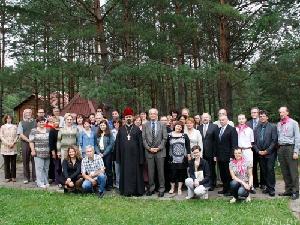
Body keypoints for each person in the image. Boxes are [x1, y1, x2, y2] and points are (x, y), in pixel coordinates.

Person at [115, 107, 145, 196]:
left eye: (130, 116)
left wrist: (141, 158)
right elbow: (117, 145)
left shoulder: (137, 129)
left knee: (136, 174)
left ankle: (136, 191)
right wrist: (118, 157)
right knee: (125, 173)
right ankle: (126, 191)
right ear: (124, 118)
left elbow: (140, 145)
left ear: (132, 118)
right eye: (127, 117)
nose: (128, 118)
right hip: (124, 157)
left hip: (135, 157)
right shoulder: (121, 130)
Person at [142, 108, 168, 197]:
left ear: (157, 115)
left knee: (161, 172)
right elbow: (143, 139)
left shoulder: (162, 125)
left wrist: (158, 148)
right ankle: (151, 189)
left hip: (160, 152)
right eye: (151, 114)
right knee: (150, 172)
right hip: (149, 152)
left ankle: (161, 189)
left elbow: (165, 138)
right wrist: (149, 148)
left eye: (154, 114)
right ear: (149, 115)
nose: (152, 115)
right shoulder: (145, 125)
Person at [253, 110, 277, 196]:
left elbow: (274, 141)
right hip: (260, 153)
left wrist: (267, 151)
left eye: (264, 116)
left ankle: (271, 189)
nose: (262, 118)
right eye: (261, 116)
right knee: (264, 171)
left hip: (270, 153)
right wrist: (258, 151)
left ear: (267, 117)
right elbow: (254, 142)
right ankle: (267, 187)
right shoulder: (256, 128)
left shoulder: (273, 127)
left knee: (270, 170)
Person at [277, 106, 299, 200]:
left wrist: (296, 151)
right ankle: (288, 190)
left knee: (292, 171)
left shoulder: (293, 123)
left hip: (291, 148)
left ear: (287, 113)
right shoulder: (279, 124)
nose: (281, 114)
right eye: (280, 112)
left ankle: (295, 191)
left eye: (283, 112)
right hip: (281, 148)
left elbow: (297, 138)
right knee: (285, 171)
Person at [215, 115, 238, 196]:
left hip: (228, 156)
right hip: (220, 157)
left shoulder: (232, 129)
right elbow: (217, 144)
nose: (221, 121)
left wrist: (232, 156)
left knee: (228, 174)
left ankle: (230, 190)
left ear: (227, 120)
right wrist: (216, 155)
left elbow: (234, 144)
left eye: (223, 120)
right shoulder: (218, 130)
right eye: (220, 120)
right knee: (223, 174)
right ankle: (224, 189)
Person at [166, 121, 191, 195]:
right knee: (172, 173)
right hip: (172, 158)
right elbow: (167, 147)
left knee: (181, 174)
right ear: (174, 126)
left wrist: (189, 155)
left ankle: (179, 188)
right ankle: (172, 188)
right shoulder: (169, 135)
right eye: (177, 126)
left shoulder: (184, 135)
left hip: (182, 158)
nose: (179, 127)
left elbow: (188, 146)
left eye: (180, 127)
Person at [198, 113, 218, 190]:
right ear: (201, 119)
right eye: (203, 117)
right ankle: (205, 183)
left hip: (211, 152)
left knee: (211, 169)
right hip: (202, 153)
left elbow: (216, 141)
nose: (205, 119)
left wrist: (215, 154)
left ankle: (212, 184)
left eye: (206, 117)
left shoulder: (214, 126)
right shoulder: (199, 127)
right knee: (203, 169)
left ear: (209, 118)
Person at [29, 117, 50, 188]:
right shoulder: (33, 131)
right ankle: (40, 183)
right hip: (38, 153)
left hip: (47, 152)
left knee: (46, 168)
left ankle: (45, 181)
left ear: (45, 122)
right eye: (40, 122)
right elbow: (31, 142)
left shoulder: (48, 130)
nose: (42, 123)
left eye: (43, 121)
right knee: (39, 168)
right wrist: (33, 150)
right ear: (37, 123)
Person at [247, 107, 264, 189]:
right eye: (252, 112)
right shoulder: (248, 123)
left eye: (255, 112)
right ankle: (255, 183)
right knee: (252, 166)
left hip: (261, 148)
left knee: (262, 166)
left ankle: (263, 183)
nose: (254, 114)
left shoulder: (262, 122)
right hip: (251, 148)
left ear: (258, 113)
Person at [17, 108, 36, 184]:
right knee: (25, 161)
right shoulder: (21, 123)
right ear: (24, 114)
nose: (28, 113)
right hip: (25, 143)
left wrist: (32, 140)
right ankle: (26, 177)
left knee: (34, 160)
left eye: (29, 112)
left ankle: (35, 177)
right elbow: (20, 134)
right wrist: (28, 140)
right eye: (26, 112)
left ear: (31, 113)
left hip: (35, 143)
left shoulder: (35, 121)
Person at [97, 120, 115, 190]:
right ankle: (102, 184)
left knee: (108, 170)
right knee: (101, 170)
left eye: (104, 125)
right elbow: (95, 144)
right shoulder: (97, 134)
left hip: (107, 154)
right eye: (101, 125)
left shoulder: (110, 134)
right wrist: (98, 153)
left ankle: (109, 185)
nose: (102, 126)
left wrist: (104, 154)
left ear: (106, 126)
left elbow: (111, 145)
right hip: (99, 154)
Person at [0, 115, 18, 182]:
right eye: (7, 118)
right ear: (5, 119)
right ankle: (7, 177)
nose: (9, 119)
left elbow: (17, 135)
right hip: (5, 147)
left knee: (13, 163)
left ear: (11, 119)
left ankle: (13, 177)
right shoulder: (3, 127)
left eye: (10, 118)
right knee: (6, 163)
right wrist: (7, 144)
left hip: (13, 146)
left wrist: (13, 142)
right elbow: (1, 136)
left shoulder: (15, 126)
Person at [49, 117, 62, 187]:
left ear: (59, 122)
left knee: (61, 166)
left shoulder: (61, 129)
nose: (55, 123)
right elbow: (51, 143)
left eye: (56, 121)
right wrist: (53, 152)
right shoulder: (52, 131)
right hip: (55, 151)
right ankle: (57, 181)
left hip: (61, 150)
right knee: (56, 166)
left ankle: (62, 180)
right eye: (53, 122)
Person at [111, 119, 122, 189]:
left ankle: (122, 182)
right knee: (116, 169)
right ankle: (117, 183)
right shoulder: (111, 132)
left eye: (118, 123)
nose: (116, 124)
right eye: (115, 123)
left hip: (122, 152)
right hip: (114, 152)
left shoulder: (122, 131)